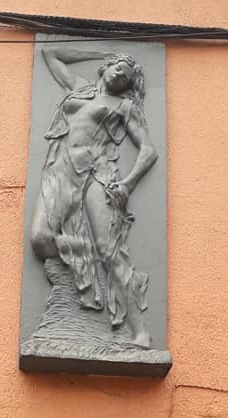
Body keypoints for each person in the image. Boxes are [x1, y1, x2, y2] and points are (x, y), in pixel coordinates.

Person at [30, 47, 158, 348]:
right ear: (107, 66)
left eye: (126, 77)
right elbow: (50, 53)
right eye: (117, 68)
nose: (120, 75)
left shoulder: (124, 106)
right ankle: (84, 251)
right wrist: (102, 50)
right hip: (60, 169)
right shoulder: (79, 88)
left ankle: (140, 332)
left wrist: (127, 185)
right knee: (40, 238)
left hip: (96, 174)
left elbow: (149, 151)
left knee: (109, 251)